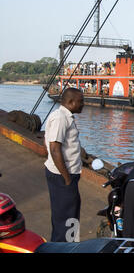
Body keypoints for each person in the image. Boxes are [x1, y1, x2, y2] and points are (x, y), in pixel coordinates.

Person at [44, 87, 84, 242]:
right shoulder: (61, 118)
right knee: (66, 219)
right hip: (62, 177)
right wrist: (67, 179)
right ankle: (65, 247)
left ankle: (67, 245)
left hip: (65, 175)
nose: (83, 104)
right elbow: (54, 148)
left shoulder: (65, 117)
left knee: (68, 216)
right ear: (70, 102)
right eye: (80, 101)